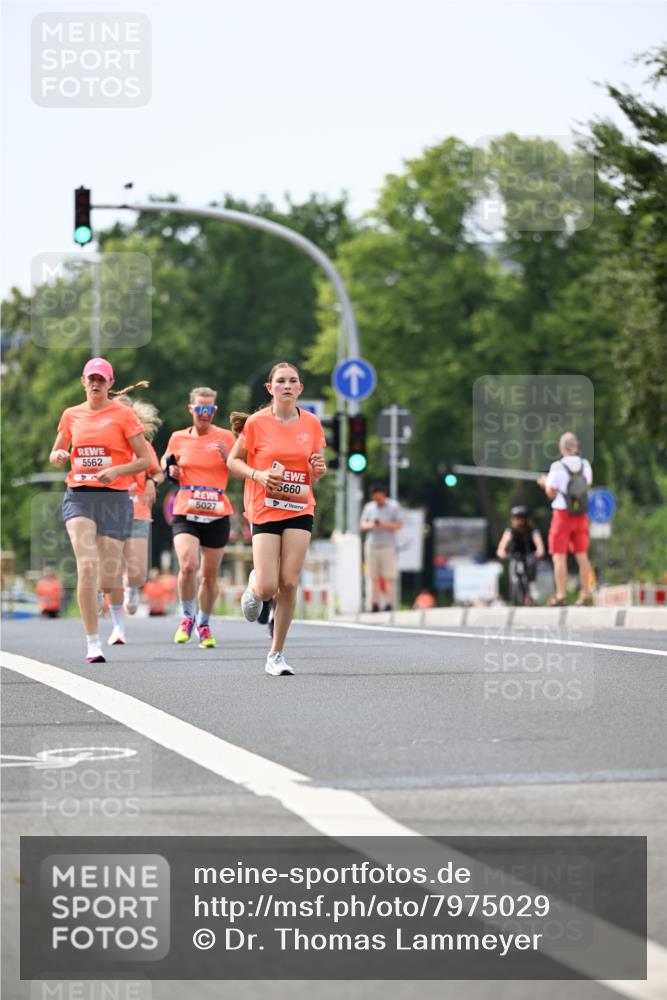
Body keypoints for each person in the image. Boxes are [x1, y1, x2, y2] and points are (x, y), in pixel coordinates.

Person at [226, 362, 327, 676]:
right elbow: (233, 461)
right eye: (280, 381)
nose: (287, 385)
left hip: (299, 507)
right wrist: (257, 474)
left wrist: (318, 471)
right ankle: (257, 581)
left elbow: (313, 474)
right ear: (270, 388)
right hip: (265, 507)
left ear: (300, 389)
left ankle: (276, 654)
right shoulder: (256, 423)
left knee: (289, 583)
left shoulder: (311, 424)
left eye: (292, 381)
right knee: (269, 587)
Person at [49, 358, 151, 663]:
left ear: (110, 383)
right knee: (87, 567)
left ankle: (109, 602)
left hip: (115, 498)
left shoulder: (124, 415)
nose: (96, 384)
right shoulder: (71, 415)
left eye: (101, 379)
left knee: (108, 576)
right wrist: (58, 455)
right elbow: (57, 452)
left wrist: (118, 469)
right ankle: (93, 642)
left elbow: (145, 459)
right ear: (83, 381)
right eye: (91, 379)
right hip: (79, 496)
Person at [161, 387, 235, 649]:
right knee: (188, 566)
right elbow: (165, 461)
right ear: (191, 409)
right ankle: (186, 617)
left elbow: (241, 470)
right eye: (200, 409)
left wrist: (228, 458)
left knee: (209, 577)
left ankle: (203, 624)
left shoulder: (226, 437)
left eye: (210, 410)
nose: (205, 414)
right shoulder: (178, 437)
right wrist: (169, 468)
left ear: (215, 410)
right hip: (186, 511)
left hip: (217, 513)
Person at [115, 395, 164, 621]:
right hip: (109, 511)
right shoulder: (103, 443)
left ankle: (132, 587)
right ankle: (97, 590)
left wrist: (151, 482)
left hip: (137, 511)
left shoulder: (143, 445)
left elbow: (157, 472)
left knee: (137, 573)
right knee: (106, 563)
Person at [538, 431, 593, 606]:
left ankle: (561, 595)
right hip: (581, 514)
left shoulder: (557, 466)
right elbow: (586, 485)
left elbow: (551, 492)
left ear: (562, 448)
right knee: (582, 555)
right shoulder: (585, 466)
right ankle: (585, 594)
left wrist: (545, 483)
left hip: (562, 514)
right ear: (576, 447)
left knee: (559, 555)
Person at [359, 484, 402, 612]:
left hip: (388, 546)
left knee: (389, 576)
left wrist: (384, 525)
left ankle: (389, 603)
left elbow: (399, 525)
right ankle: (374, 603)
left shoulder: (394, 507)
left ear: (384, 495)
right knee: (373, 577)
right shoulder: (369, 507)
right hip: (372, 545)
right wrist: (373, 524)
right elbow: (362, 525)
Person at [496, 505, 545, 605]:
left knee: (531, 567)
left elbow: (540, 547)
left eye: (518, 519)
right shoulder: (510, 531)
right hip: (515, 556)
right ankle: (515, 595)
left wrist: (538, 553)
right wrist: (501, 552)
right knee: (513, 572)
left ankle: (531, 586)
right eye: (514, 519)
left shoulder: (533, 532)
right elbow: (502, 545)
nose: (516, 522)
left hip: (529, 556)